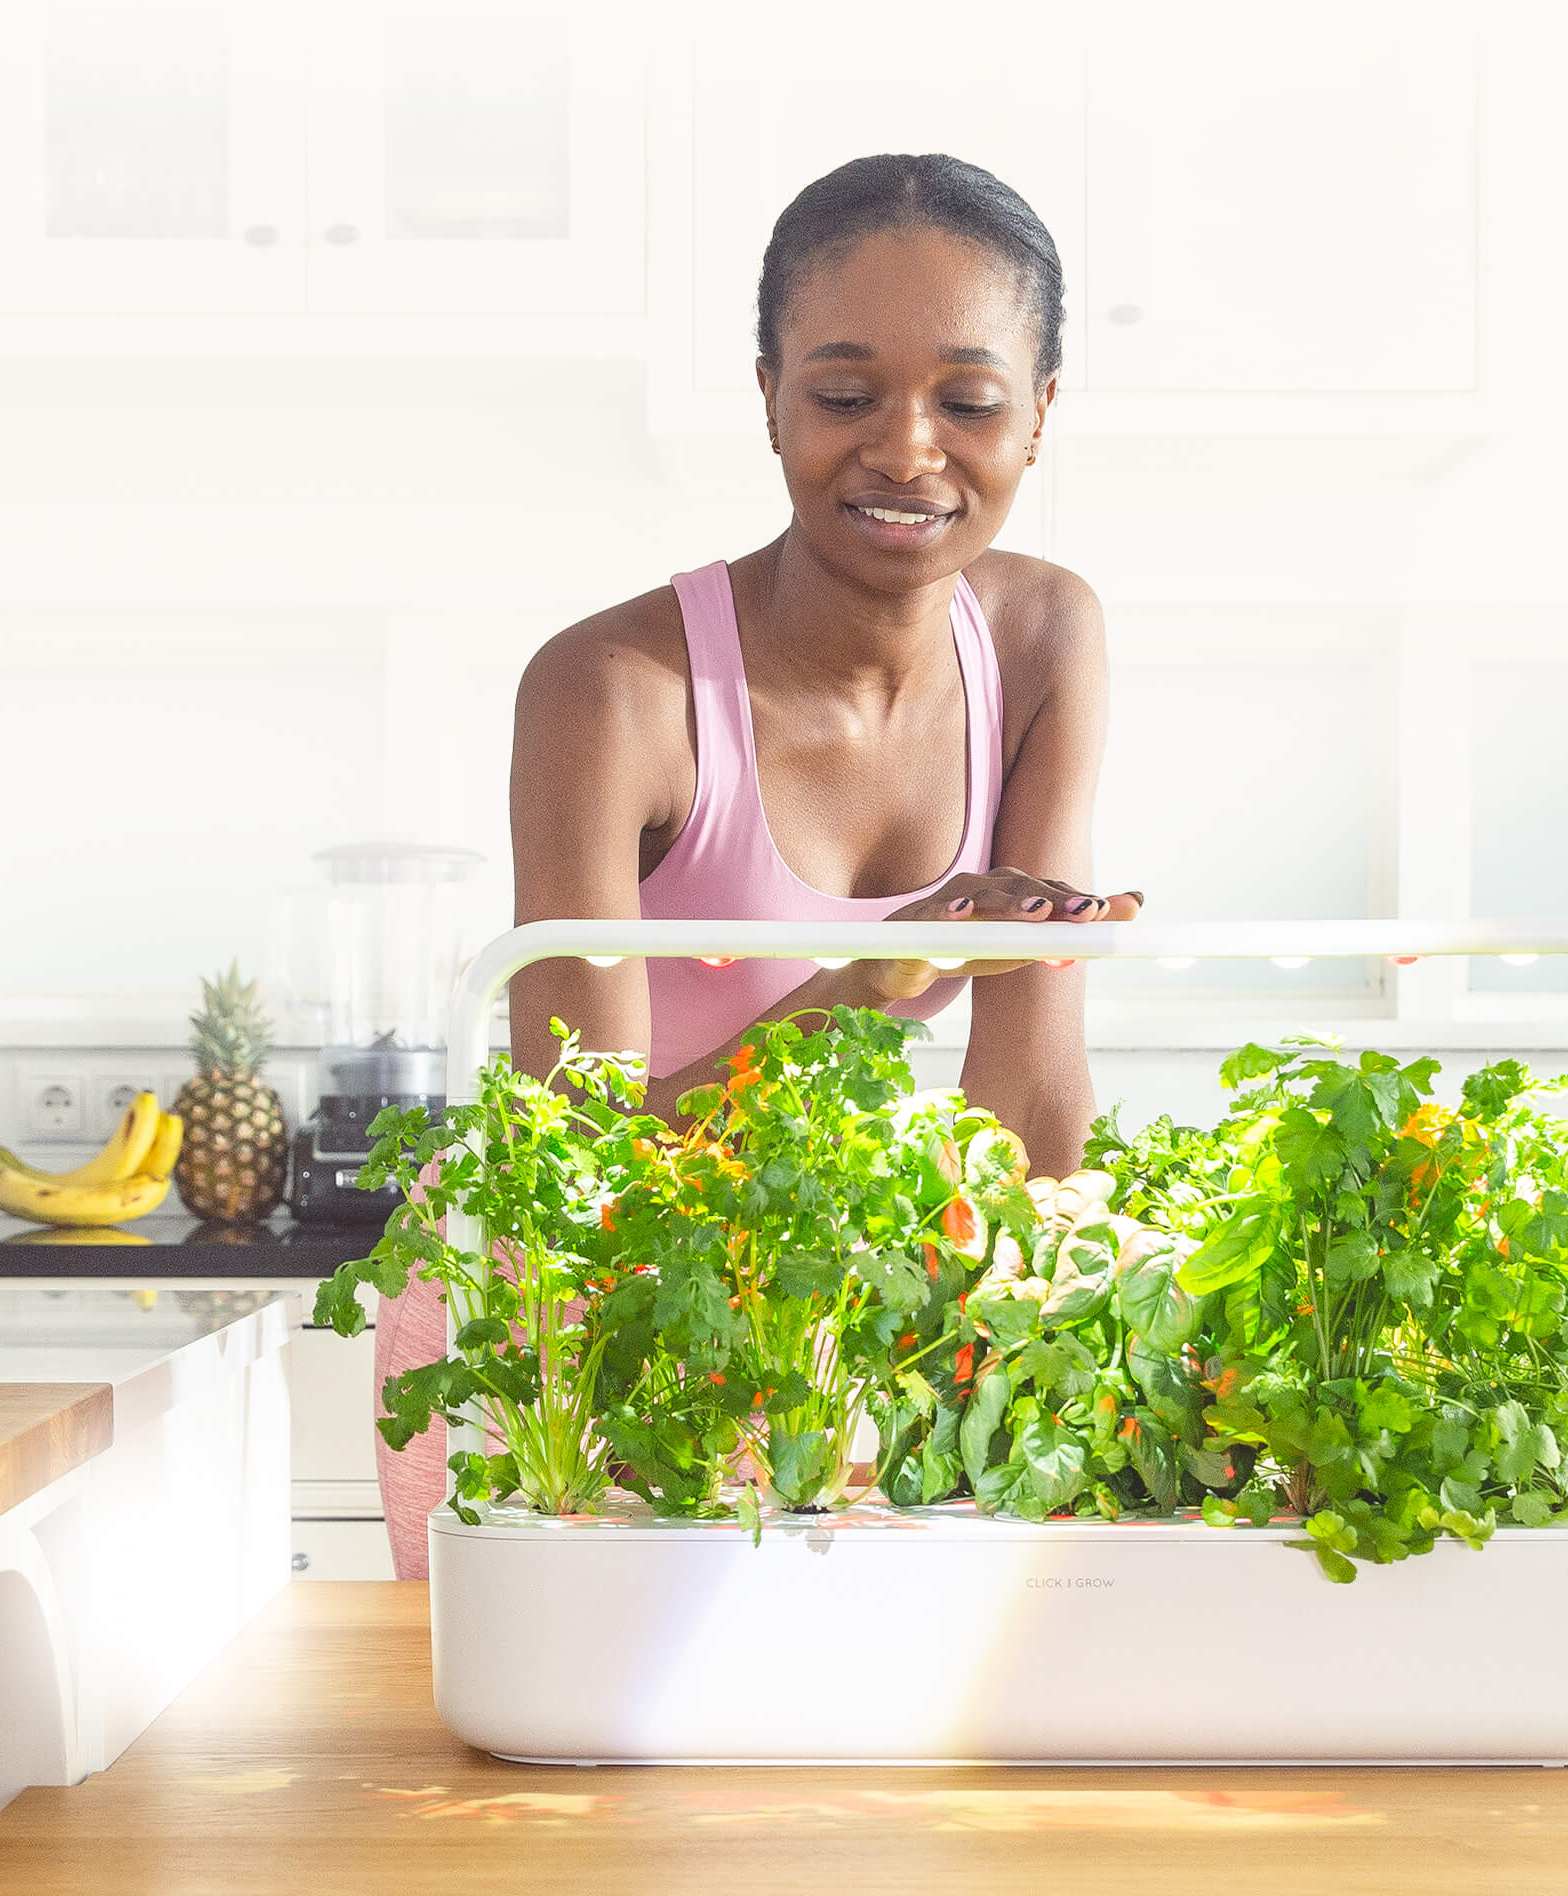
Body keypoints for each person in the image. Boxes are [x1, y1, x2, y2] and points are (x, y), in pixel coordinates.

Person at [372, 153, 1142, 1575]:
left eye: (969, 402)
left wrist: (1065, 1365)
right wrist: (871, 983)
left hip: (794, 1307)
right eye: (844, 394)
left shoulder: (1045, 641)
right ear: (772, 396)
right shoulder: (614, 691)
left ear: (1038, 418)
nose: (907, 449)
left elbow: (1031, 1079)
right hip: (548, 1320)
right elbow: (580, 1167)